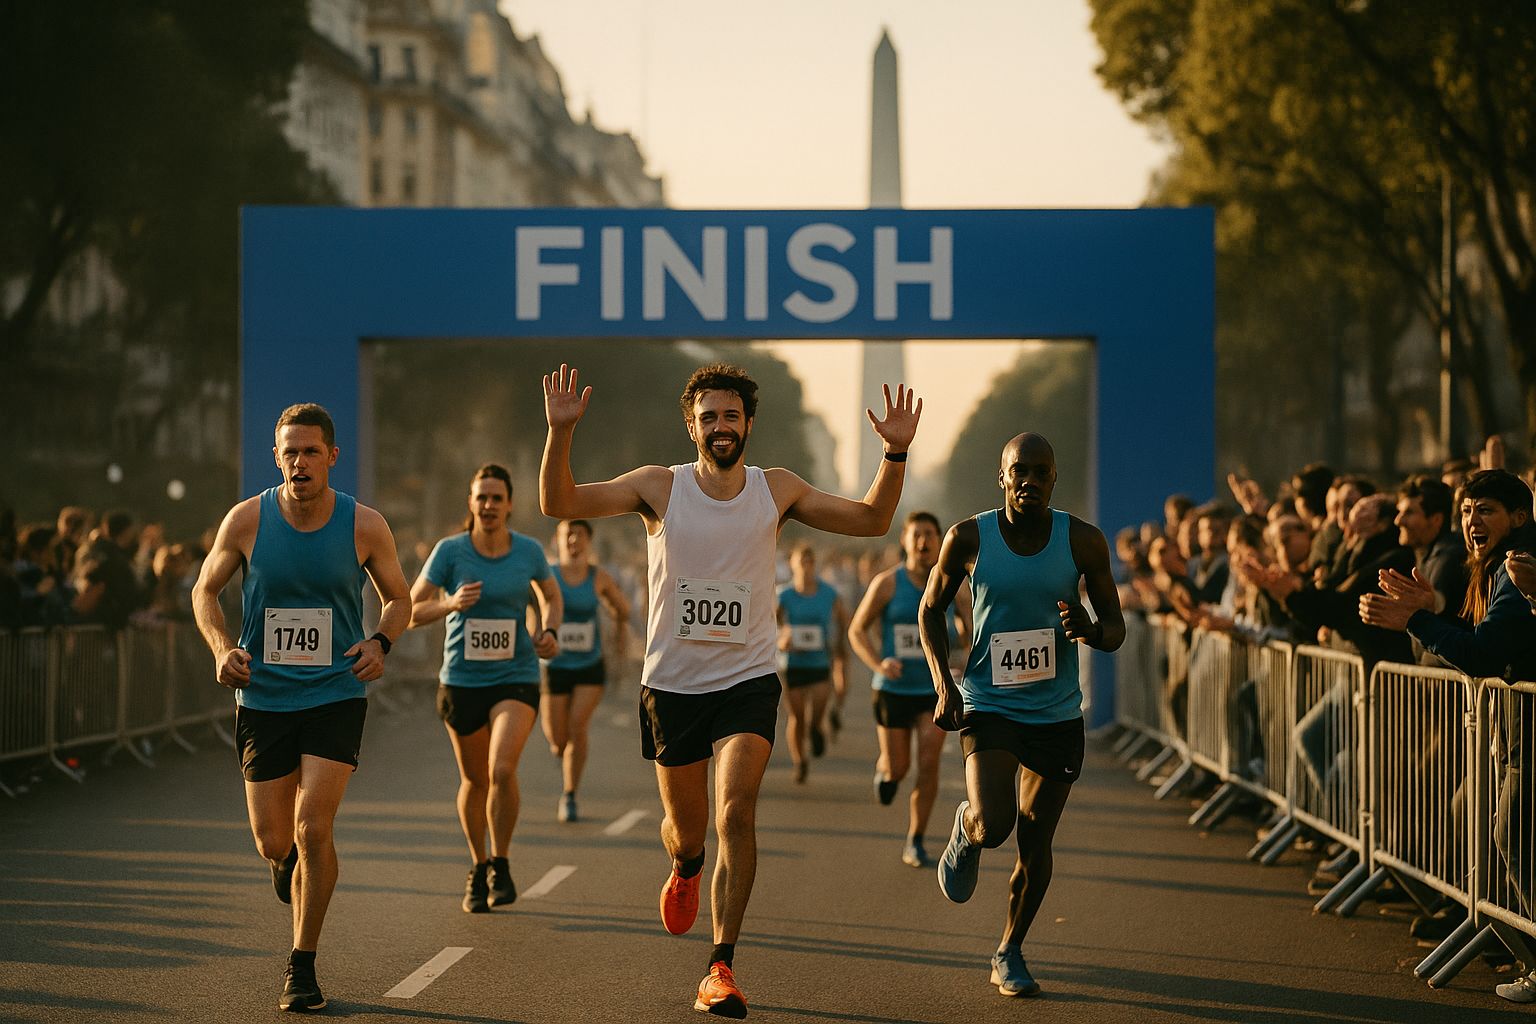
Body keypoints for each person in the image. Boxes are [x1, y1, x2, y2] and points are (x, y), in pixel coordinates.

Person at [540, 362, 920, 1018]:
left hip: (747, 679)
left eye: (731, 416)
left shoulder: (778, 490)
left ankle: (720, 967)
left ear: (748, 424)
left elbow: (872, 519)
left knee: (735, 813)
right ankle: (686, 867)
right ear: (691, 426)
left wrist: (895, 451)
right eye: (709, 417)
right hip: (673, 686)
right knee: (689, 833)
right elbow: (560, 503)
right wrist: (559, 433)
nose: (721, 426)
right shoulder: (659, 488)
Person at [191, 402, 411, 1012]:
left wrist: (380, 641)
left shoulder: (364, 525)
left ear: (332, 456)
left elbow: (399, 597)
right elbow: (205, 589)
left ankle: (302, 965)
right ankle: (282, 859)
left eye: (311, 451)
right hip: (263, 695)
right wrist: (220, 647)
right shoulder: (247, 520)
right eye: (289, 451)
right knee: (271, 837)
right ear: (277, 456)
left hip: (335, 692)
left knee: (315, 824)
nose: (299, 461)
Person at [922, 432, 1125, 998]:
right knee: (997, 824)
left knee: (1037, 842)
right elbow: (931, 609)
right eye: (1019, 471)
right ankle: (969, 825)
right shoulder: (969, 537)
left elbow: (1116, 627)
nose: (1029, 480)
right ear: (1002, 477)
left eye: (1041, 471)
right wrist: (945, 686)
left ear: (1054, 478)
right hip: (990, 703)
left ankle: (1009, 949)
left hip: (1057, 714)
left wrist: (1091, 630)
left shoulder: (1082, 541)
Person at [1360, 468, 1535, 1005]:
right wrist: (1433, 613)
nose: (1471, 521)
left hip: (1525, 732)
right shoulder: (1492, 566)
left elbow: (1484, 652)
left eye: (1484, 510)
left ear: (1519, 518)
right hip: (1510, 732)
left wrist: (1418, 620)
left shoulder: (1518, 564)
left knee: (1511, 838)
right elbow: (1479, 639)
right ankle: (1518, 950)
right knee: (1480, 819)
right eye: (1467, 511)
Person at [409, 463, 563, 912]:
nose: (489, 505)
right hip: (461, 680)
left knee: (500, 769)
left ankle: (502, 859)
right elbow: (411, 609)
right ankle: (478, 867)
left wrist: (549, 630)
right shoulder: (450, 552)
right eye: (482, 498)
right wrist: (450, 603)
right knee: (475, 779)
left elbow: (551, 596)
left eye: (497, 498)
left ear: (510, 504)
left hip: (515, 675)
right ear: (471, 503)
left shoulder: (529, 551)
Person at [848, 510, 971, 867]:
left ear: (940, 540)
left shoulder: (953, 584)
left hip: (936, 688)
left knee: (929, 761)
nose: (923, 541)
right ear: (904, 541)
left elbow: (968, 627)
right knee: (899, 768)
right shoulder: (887, 583)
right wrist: (879, 664)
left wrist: (964, 653)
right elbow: (857, 630)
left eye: (930, 534)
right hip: (894, 689)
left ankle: (916, 839)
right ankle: (887, 771)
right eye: (916, 534)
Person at [542, 517, 631, 822]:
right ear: (558, 539)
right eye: (568, 535)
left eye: (579, 535)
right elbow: (530, 608)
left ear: (589, 541)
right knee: (557, 738)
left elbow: (624, 609)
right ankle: (564, 755)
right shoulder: (547, 576)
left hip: (590, 665)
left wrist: (616, 615)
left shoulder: (599, 577)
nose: (573, 541)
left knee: (577, 728)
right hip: (555, 664)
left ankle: (569, 794)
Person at [774, 542, 849, 783]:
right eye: (801, 562)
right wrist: (781, 637)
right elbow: (767, 622)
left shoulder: (828, 593)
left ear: (815, 565)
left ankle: (817, 728)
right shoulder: (783, 595)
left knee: (816, 711)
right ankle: (800, 761)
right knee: (796, 717)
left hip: (819, 662)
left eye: (810, 562)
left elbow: (844, 618)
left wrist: (839, 643)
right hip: (792, 663)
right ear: (793, 565)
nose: (806, 567)